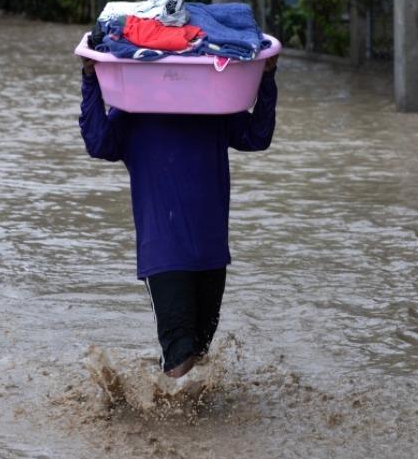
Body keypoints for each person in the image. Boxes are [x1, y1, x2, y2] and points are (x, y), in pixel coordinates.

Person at [79, 54, 278, 378]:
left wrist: (267, 78)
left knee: (199, 355)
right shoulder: (132, 112)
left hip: (212, 253)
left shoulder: (217, 106)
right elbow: (98, 142)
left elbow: (257, 136)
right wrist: (90, 79)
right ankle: (172, 427)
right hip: (164, 254)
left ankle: (164, 405)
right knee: (181, 357)